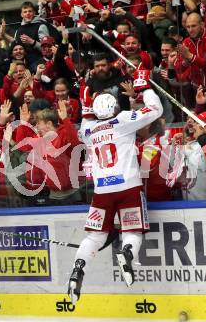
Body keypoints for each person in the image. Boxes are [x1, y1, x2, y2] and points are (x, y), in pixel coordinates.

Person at [68, 69, 163, 304]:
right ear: (114, 109)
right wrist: (144, 87)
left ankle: (78, 268)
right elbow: (156, 110)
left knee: (94, 237)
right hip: (128, 186)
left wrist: (85, 104)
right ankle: (127, 252)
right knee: (132, 232)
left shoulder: (88, 131)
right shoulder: (122, 121)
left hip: (102, 193)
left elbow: (86, 120)